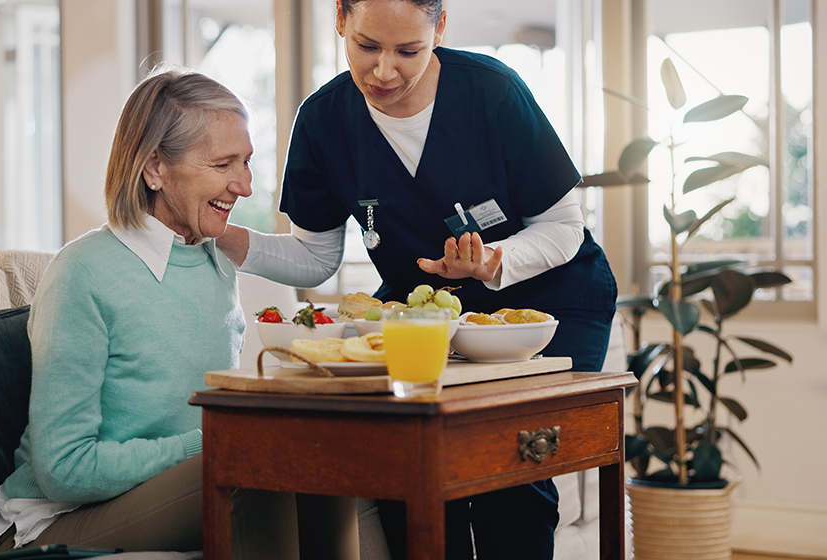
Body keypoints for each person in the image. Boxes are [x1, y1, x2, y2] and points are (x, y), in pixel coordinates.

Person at [216, 0, 617, 558]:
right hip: (424, 313)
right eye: (366, 47)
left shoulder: (492, 92)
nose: (384, 72)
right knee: (411, 463)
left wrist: (493, 261)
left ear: (440, 28)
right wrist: (225, 238)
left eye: (408, 51)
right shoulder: (323, 119)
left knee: (507, 467)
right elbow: (314, 257)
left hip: (549, 302)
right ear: (340, 20)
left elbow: (563, 228)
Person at [0, 67, 359, 560]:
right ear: (155, 168)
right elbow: (63, 467)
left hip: (162, 489)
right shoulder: (83, 273)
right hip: (56, 517)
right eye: (224, 164)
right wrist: (206, 443)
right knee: (250, 467)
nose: (245, 187)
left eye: (247, 163)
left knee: (326, 454)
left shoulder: (212, 261)